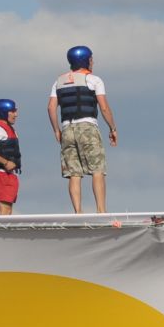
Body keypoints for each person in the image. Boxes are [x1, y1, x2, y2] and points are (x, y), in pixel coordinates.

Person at [47, 45, 117, 213]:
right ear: (85, 60)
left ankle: (78, 212)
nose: (93, 62)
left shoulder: (59, 81)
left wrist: (57, 130)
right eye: (91, 59)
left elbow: (51, 107)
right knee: (97, 169)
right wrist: (112, 128)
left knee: (74, 173)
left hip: (67, 128)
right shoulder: (94, 80)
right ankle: (101, 210)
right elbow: (104, 107)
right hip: (87, 127)